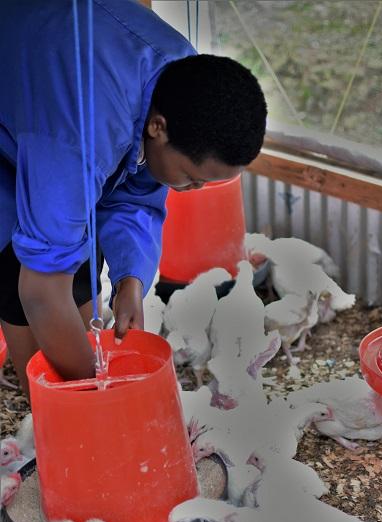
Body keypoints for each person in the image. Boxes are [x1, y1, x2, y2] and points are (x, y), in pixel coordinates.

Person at [0, 0, 267, 394]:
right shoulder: (79, 141)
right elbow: (39, 291)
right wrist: (98, 394)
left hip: (52, 96)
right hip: (39, 102)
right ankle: (47, 401)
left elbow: (136, 190)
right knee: (18, 266)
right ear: (158, 127)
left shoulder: (183, 85)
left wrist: (131, 279)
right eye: (192, 179)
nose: (193, 191)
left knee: (77, 268)